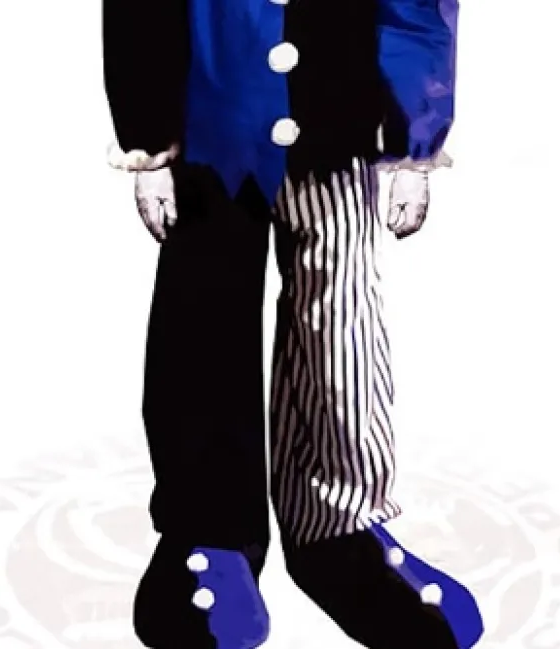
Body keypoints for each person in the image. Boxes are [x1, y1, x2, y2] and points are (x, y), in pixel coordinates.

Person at [101, 0, 484, 647]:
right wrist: (148, 139)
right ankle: (207, 531)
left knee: (340, 330)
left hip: (340, 124)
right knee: (202, 335)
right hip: (211, 126)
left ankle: (338, 530)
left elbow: (415, 8)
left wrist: (413, 140)